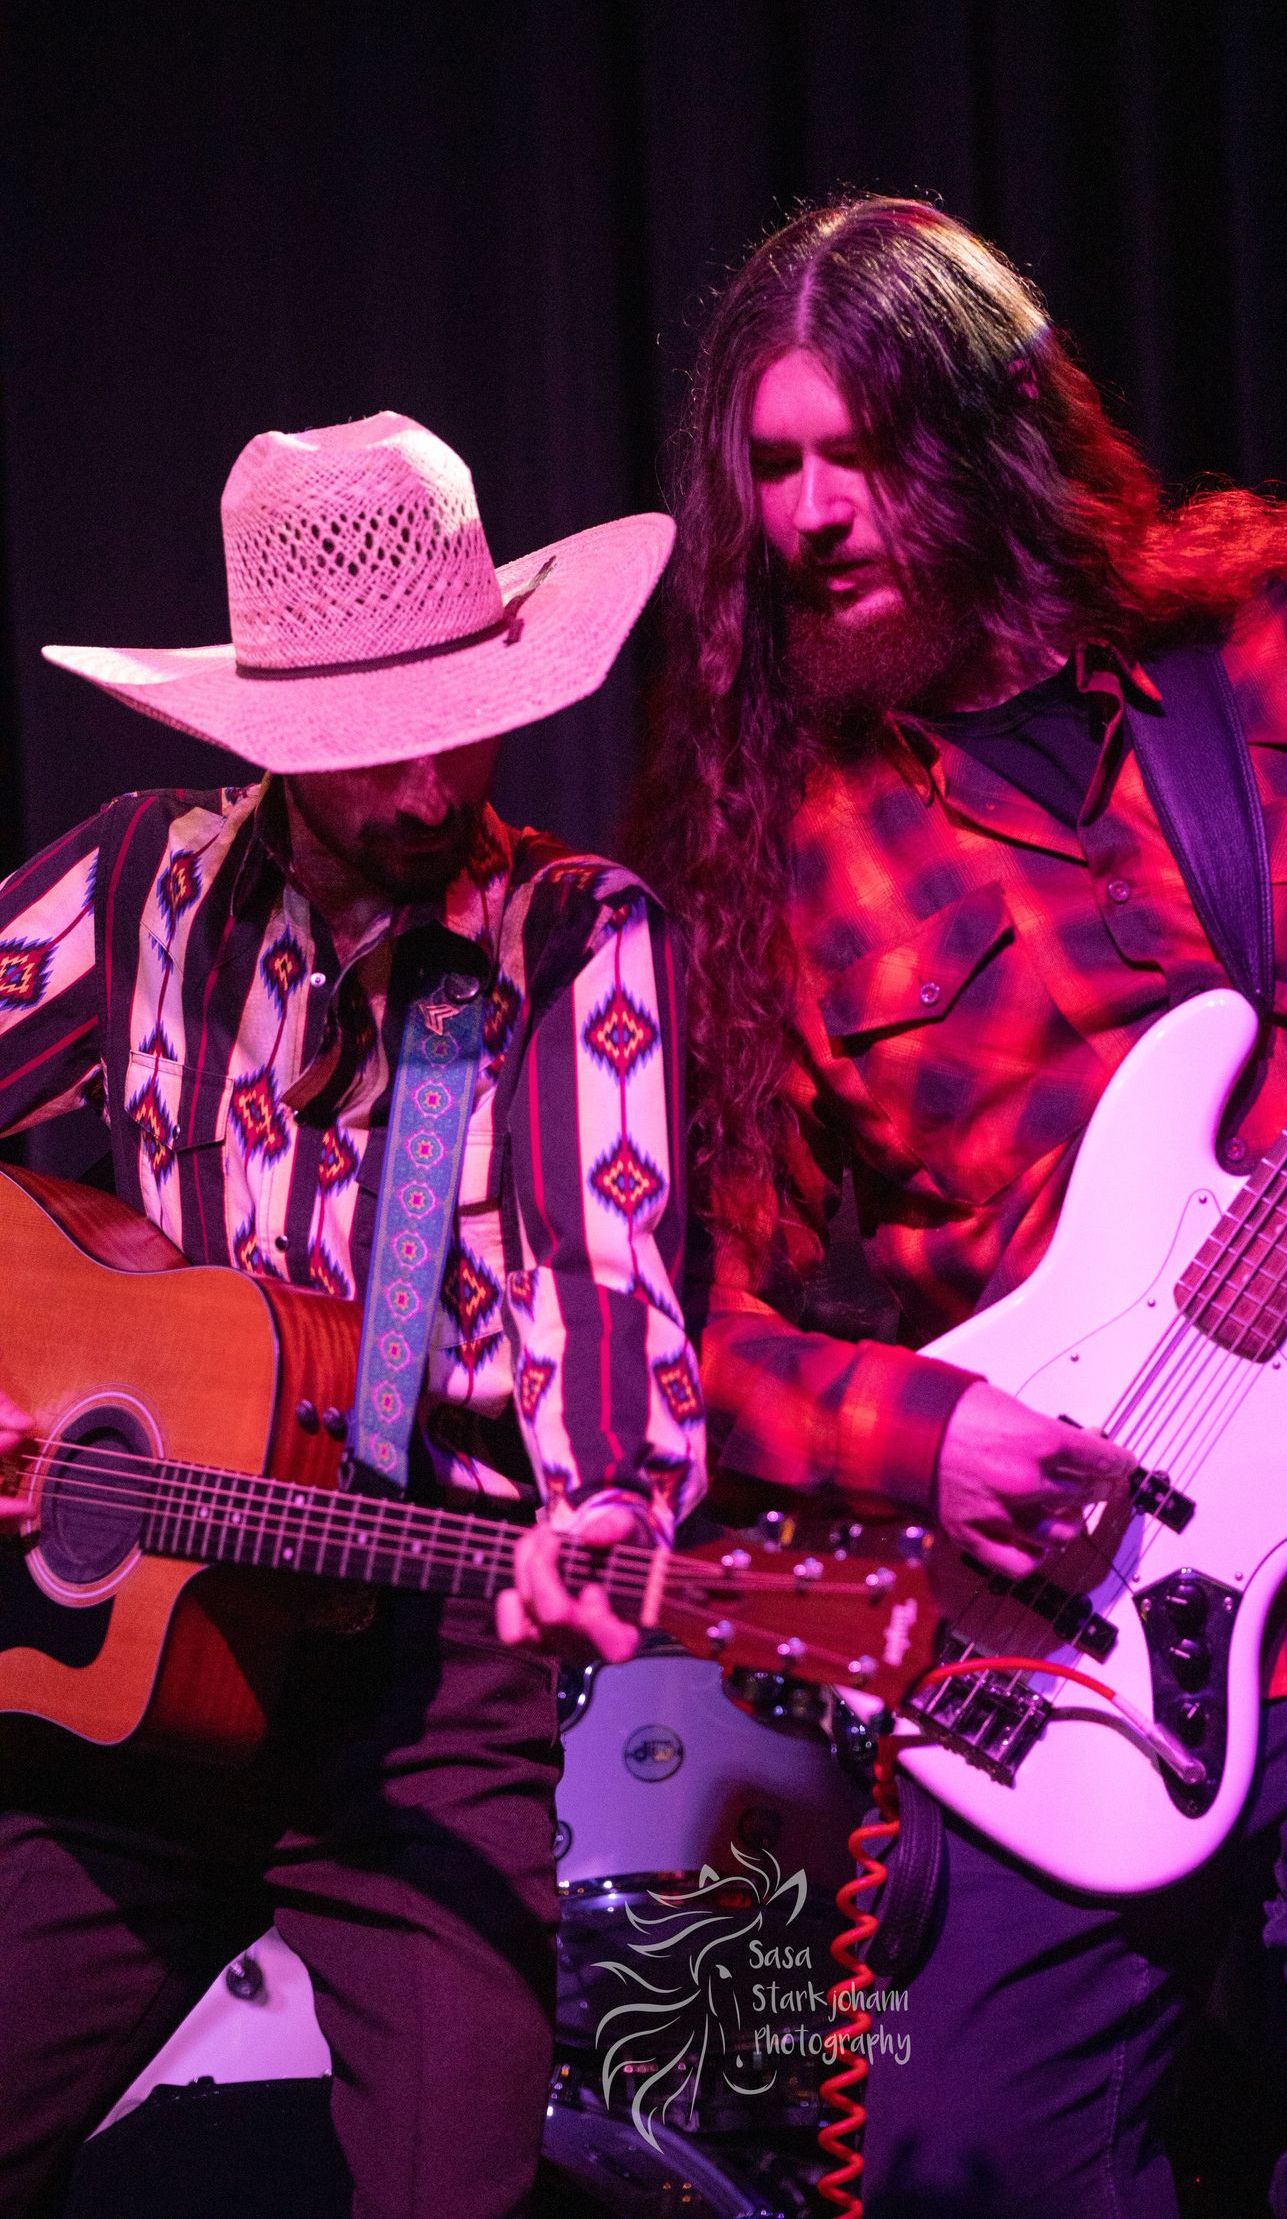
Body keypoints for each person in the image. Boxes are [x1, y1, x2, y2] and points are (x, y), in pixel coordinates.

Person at [640, 197, 1287, 2217]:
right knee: (965, 2155)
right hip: (1055, 1631)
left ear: (999, 433)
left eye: (867, 454)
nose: (811, 518)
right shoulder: (779, 856)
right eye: (771, 467)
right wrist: (929, 1437)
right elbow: (706, 1333)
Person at [0, 410, 706, 2218]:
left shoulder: (569, 936)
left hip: (423, 1684)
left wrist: (608, 1508)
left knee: (451, 2188)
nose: (423, 788)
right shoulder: (136, 877)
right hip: (129, 1677)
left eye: (454, 724)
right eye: (369, 749)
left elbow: (596, 1265)